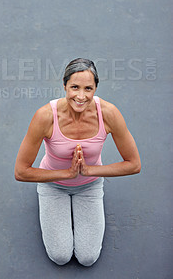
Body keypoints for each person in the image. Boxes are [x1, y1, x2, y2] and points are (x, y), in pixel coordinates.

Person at [14, 58, 141, 266]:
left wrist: (90, 171)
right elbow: (21, 171)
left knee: (88, 258)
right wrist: (67, 174)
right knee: (60, 256)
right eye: (74, 87)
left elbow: (134, 164)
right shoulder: (45, 116)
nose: (81, 96)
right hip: (53, 185)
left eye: (88, 88)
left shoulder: (109, 114)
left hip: (90, 186)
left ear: (96, 89)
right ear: (64, 86)